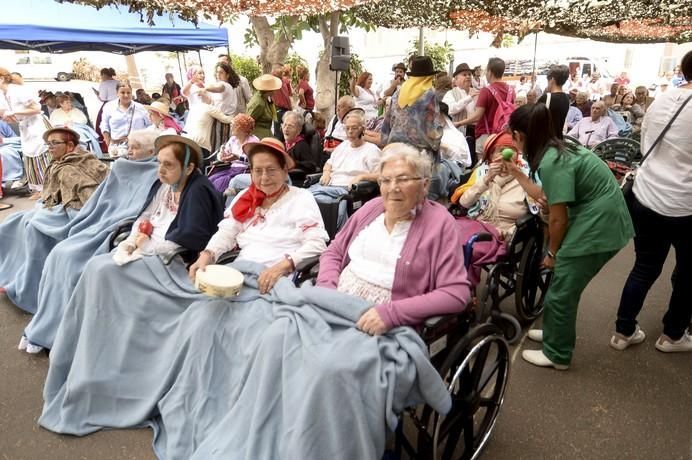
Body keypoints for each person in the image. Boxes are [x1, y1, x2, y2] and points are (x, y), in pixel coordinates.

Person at [507, 103, 633, 370]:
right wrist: (516, 172)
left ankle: (557, 353)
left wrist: (552, 253)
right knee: (561, 285)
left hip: (599, 224)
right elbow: (544, 195)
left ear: (520, 135)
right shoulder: (557, 147)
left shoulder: (552, 161)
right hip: (600, 215)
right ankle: (555, 332)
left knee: (562, 289)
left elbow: (557, 218)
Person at [610, 52, 692, 353]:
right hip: (686, 204)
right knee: (687, 275)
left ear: (683, 70)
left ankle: (623, 330)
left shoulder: (661, 101)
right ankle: (672, 335)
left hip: (647, 195)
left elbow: (645, 146)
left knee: (644, 266)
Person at [190, 138, 329, 292]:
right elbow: (227, 232)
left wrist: (283, 266)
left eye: (271, 170)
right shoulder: (245, 196)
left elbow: (317, 244)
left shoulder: (301, 198)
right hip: (241, 272)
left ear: (284, 171)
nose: (264, 178)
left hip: (279, 277)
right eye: (258, 170)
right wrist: (208, 254)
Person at [0, 126, 109, 316]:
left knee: (32, 227)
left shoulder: (70, 167)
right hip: (55, 206)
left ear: (69, 145)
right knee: (13, 221)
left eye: (54, 143)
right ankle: (12, 275)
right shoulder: (59, 162)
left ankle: (30, 289)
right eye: (48, 144)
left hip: (72, 212)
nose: (50, 148)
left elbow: (88, 198)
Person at [308, 109, 381, 229]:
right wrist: (326, 173)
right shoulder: (342, 146)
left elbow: (381, 175)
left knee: (333, 205)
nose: (350, 132)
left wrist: (362, 176)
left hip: (348, 190)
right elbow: (329, 163)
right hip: (328, 186)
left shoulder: (371, 150)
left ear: (363, 129)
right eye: (347, 128)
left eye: (354, 128)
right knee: (305, 197)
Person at [0, 68, 50, 195]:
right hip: (25, 127)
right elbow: (12, 117)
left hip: (37, 126)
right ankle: (39, 190)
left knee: (43, 156)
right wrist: (7, 116)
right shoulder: (4, 94)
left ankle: (50, 188)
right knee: (31, 157)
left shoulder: (16, 90)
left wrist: (14, 112)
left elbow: (37, 109)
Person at [456, 57, 515, 159]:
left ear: (490, 72)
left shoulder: (486, 91)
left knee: (484, 169)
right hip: (505, 135)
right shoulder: (511, 90)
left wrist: (459, 123)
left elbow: (477, 116)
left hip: (486, 135)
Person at [208, 113, 259, 193]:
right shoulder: (233, 139)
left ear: (243, 129)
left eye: (234, 125)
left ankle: (219, 203)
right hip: (231, 169)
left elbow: (255, 161)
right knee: (210, 180)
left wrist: (239, 158)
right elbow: (222, 156)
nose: (231, 127)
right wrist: (222, 155)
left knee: (220, 183)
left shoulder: (253, 141)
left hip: (244, 170)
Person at [100, 82, 151, 157]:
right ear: (117, 93)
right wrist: (108, 143)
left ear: (131, 93)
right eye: (122, 92)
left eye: (128, 93)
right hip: (116, 149)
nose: (126, 95)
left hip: (138, 149)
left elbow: (149, 125)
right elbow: (104, 125)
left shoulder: (140, 108)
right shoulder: (109, 107)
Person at [179, 91, 234, 159]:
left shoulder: (193, 108)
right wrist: (236, 118)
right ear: (208, 97)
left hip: (185, 140)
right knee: (201, 166)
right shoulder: (209, 108)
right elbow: (226, 119)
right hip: (200, 143)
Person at [443, 62, 478, 136]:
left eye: (469, 74)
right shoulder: (450, 93)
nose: (468, 77)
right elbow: (450, 109)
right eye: (464, 75)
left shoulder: (476, 92)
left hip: (475, 131)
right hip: (459, 133)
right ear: (456, 79)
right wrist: (469, 98)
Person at [537, 65, 571, 139]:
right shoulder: (566, 98)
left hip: (544, 140)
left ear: (552, 79)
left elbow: (536, 121)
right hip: (558, 139)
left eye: (548, 80)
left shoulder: (546, 97)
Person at [246, 74, 281, 139]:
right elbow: (248, 121)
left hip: (266, 134)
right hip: (258, 136)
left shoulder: (266, 98)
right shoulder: (259, 103)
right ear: (270, 90)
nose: (276, 90)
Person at [271, 63, 293, 136]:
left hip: (286, 111)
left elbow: (289, 95)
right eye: (281, 69)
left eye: (283, 70)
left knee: (286, 133)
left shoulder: (285, 80)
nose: (282, 71)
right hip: (278, 111)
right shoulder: (274, 79)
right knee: (278, 134)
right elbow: (273, 73)